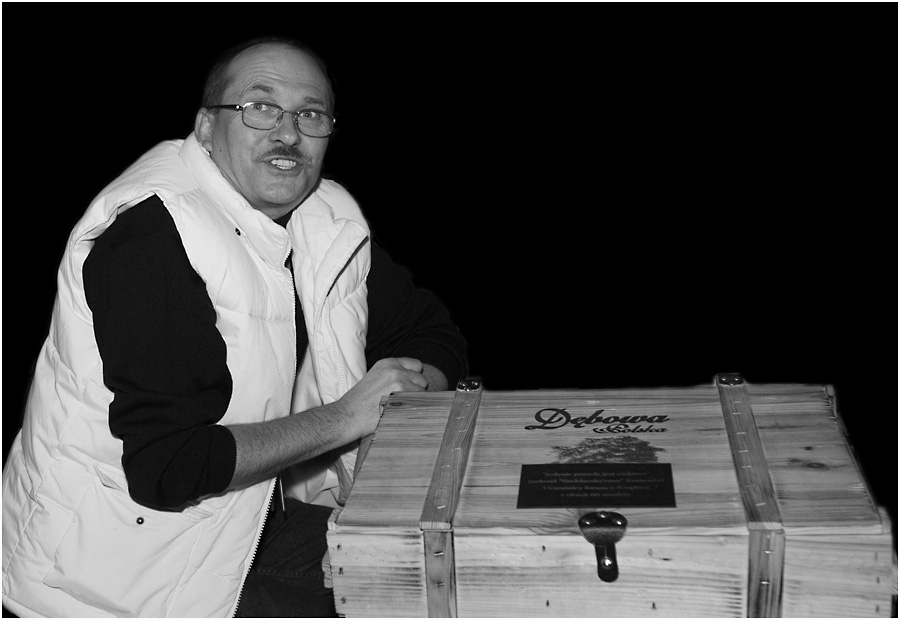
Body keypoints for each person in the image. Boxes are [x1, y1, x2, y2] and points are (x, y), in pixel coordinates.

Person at [2, 36, 467, 618]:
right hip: (113, 579)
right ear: (205, 127)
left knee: (451, 572)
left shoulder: (327, 218)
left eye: (310, 114)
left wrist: (398, 412)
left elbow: (432, 335)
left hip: (248, 524)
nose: (288, 133)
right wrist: (349, 417)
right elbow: (170, 466)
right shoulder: (152, 236)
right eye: (260, 107)